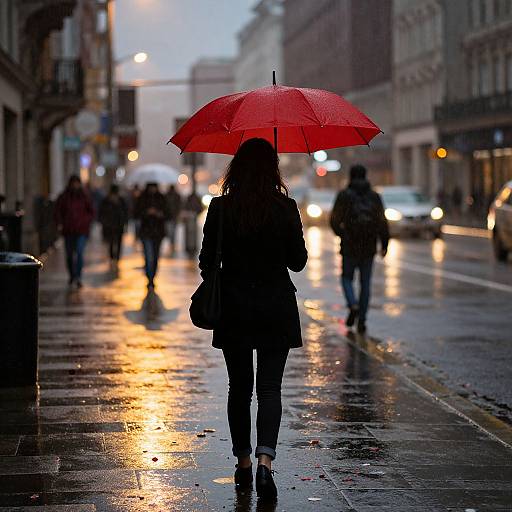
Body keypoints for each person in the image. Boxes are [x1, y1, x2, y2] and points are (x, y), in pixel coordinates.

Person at [198, 138, 307, 499]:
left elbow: (206, 263)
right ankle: (265, 464)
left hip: (235, 308)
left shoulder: (220, 208)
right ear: (272, 169)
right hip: (275, 307)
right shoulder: (285, 207)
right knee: (270, 388)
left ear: (237, 169)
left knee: (239, 389)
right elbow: (298, 261)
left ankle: (243, 462)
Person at [330, 164, 389, 334]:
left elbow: (334, 220)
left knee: (346, 278)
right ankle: (362, 319)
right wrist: (384, 243)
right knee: (365, 283)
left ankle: (352, 304)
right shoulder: (374, 196)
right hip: (369, 246)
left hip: (349, 246)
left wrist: (342, 234)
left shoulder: (344, 196)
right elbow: (382, 222)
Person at [55, 175, 95, 288]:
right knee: (69, 255)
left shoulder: (84, 196)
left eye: (77, 183)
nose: (75, 185)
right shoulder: (64, 197)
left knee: (79, 252)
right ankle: (72, 275)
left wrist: (85, 221)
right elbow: (58, 211)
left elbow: (91, 211)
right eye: (73, 183)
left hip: (81, 230)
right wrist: (60, 223)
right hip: (68, 230)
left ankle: (78, 277)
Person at [134, 182, 169, 288]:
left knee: (155, 256)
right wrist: (147, 212)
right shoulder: (142, 198)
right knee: (148, 256)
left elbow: (168, 213)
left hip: (158, 232)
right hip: (146, 232)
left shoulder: (161, 198)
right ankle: (149, 278)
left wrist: (159, 213)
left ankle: (152, 276)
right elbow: (136, 213)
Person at [98, 184, 128, 268]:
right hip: (109, 226)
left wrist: (125, 222)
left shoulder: (121, 201)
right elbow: (101, 213)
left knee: (118, 243)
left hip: (119, 225)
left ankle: (117, 258)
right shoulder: (106, 201)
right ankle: (112, 257)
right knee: (111, 243)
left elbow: (125, 212)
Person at [165, 184, 182, 255]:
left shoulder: (167, 195)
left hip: (171, 217)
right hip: (171, 216)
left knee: (171, 231)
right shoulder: (176, 196)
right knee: (172, 231)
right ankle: (172, 243)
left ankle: (171, 243)